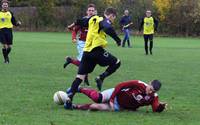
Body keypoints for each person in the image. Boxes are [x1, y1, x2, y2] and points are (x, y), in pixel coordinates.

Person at [65, 7, 122, 109]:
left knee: (80, 77)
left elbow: (80, 21)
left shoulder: (92, 18)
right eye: (114, 18)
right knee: (117, 62)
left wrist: (71, 25)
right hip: (97, 51)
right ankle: (101, 77)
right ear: (111, 15)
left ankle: (69, 99)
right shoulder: (103, 20)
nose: (113, 20)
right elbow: (107, 28)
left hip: (86, 52)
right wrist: (118, 40)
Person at [65, 80, 167, 113]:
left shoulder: (154, 97)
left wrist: (160, 107)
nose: (150, 91)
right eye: (150, 88)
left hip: (120, 107)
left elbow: (155, 109)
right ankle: (79, 89)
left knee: (95, 107)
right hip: (115, 94)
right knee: (98, 98)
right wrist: (112, 99)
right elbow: (120, 85)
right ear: (149, 83)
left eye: (152, 91)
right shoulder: (139, 84)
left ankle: (73, 106)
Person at [63, 4, 96, 86]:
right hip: (82, 43)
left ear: (94, 11)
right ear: (87, 11)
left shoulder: (96, 20)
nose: (91, 12)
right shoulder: (83, 20)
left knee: (89, 62)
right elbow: (74, 29)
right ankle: (84, 79)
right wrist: (73, 38)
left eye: (92, 10)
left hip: (92, 44)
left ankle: (70, 60)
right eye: (89, 10)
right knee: (84, 62)